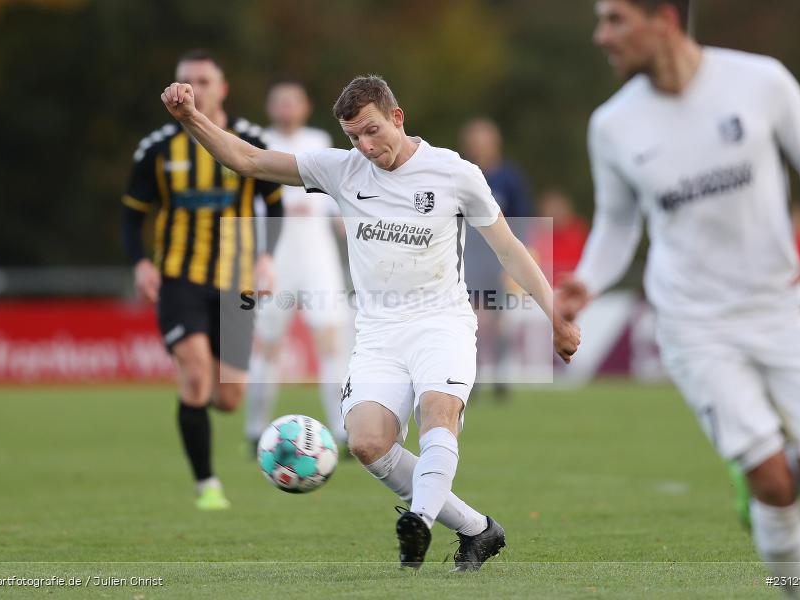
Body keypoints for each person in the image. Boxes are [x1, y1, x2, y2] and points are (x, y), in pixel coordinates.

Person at [160, 74, 580, 571]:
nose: (364, 145)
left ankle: (419, 523)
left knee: (437, 416)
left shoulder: (453, 173)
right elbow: (247, 159)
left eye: (372, 131)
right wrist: (191, 118)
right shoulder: (343, 170)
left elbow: (510, 248)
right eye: (353, 136)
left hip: (441, 323)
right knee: (366, 442)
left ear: (397, 117)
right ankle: (477, 529)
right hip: (379, 333)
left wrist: (554, 314)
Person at [555, 2, 800, 598]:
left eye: (615, 20)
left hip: (779, 309)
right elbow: (617, 221)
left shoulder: (760, 81)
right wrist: (589, 279)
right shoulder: (613, 124)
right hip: (693, 324)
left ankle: (772, 454)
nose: (601, 35)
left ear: (664, 18)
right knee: (774, 484)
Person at [123, 49, 283, 511]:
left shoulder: (250, 139)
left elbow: (274, 203)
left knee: (229, 398)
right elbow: (132, 214)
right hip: (179, 278)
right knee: (195, 376)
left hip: (237, 282)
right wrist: (140, 262)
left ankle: (199, 410)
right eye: (185, 80)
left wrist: (267, 257)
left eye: (204, 80)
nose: (194, 88)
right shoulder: (156, 148)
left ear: (223, 88)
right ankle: (207, 485)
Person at [245, 80, 348, 453]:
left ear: (306, 106)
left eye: (294, 101)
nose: (287, 107)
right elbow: (249, 199)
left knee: (331, 343)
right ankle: (256, 429)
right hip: (277, 256)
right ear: (270, 106)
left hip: (318, 256)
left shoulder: (320, 141)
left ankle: (340, 431)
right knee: (268, 344)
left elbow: (338, 200)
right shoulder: (257, 141)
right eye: (280, 101)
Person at [459, 118, 533, 399]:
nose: (479, 146)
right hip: (471, 260)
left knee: (501, 321)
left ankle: (501, 375)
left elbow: (523, 221)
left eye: (484, 139)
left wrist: (518, 262)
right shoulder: (463, 175)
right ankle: (471, 378)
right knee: (474, 321)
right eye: (474, 140)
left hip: (500, 260)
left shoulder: (509, 179)